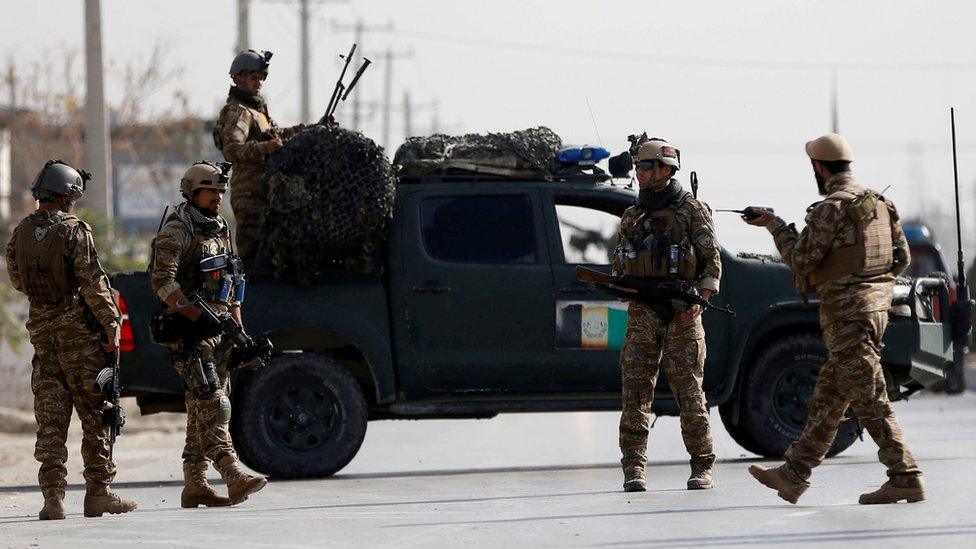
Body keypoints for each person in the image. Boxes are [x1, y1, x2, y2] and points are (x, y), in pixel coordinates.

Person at [744, 133, 924, 504]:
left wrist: (775, 226)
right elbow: (901, 258)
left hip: (847, 317)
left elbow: (801, 260)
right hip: (875, 313)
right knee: (829, 396)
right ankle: (794, 475)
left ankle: (905, 475)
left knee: (870, 397)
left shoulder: (830, 209)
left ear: (819, 167)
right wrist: (872, 286)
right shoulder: (880, 203)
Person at [5, 160, 137, 519]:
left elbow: (17, 280)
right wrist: (111, 326)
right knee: (97, 413)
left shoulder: (20, 232)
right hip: (79, 339)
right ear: (67, 197)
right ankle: (98, 493)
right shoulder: (76, 231)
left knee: (50, 419)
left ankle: (53, 499)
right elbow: (93, 283)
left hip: (43, 338)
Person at [149, 161, 266, 507]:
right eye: (210, 190)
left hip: (220, 331)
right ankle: (233, 473)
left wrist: (238, 331)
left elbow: (233, 283)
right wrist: (193, 314)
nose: (217, 197)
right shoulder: (177, 229)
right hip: (188, 333)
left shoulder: (220, 229)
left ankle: (195, 484)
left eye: (220, 191)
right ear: (192, 191)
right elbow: (162, 281)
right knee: (215, 403)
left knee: (200, 406)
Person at [612, 139, 722, 492]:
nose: (640, 174)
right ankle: (634, 467)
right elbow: (619, 262)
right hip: (644, 310)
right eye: (638, 168)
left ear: (665, 169)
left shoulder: (691, 210)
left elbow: (711, 261)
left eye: (645, 167)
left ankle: (702, 465)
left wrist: (699, 302)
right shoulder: (633, 216)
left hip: (683, 309)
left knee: (690, 392)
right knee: (635, 390)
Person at [213, 49, 304, 266]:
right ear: (238, 78)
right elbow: (233, 149)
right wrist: (266, 148)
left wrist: (311, 129)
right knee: (252, 257)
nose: (259, 83)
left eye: (261, 78)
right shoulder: (239, 111)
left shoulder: (257, 112)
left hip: (265, 191)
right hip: (249, 193)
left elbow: (278, 135)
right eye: (254, 78)